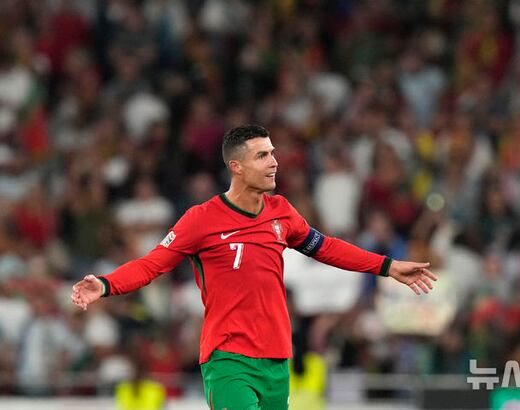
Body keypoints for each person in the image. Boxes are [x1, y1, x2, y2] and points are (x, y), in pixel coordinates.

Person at [71, 124, 438, 410]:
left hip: (277, 360)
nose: (274, 162)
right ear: (236, 166)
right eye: (262, 155)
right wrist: (105, 284)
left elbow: (325, 247)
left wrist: (387, 266)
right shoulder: (201, 219)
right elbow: (152, 264)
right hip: (229, 358)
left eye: (272, 153)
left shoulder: (282, 212)